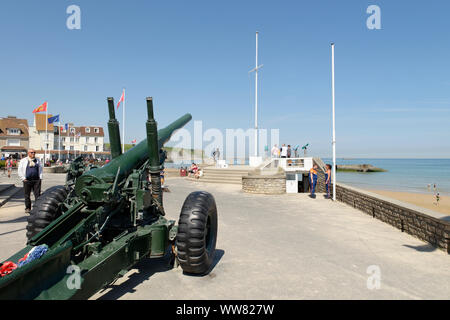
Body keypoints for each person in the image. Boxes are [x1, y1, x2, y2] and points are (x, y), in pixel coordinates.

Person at [18, 149, 43, 214]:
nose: (33, 153)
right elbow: (20, 170)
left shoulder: (37, 160)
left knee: (37, 194)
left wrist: (40, 178)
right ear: (28, 153)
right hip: (27, 180)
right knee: (27, 195)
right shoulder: (23, 160)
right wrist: (23, 178)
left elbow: (40, 169)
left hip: (36, 180)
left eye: (34, 152)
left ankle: (37, 207)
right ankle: (28, 207)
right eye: (32, 152)